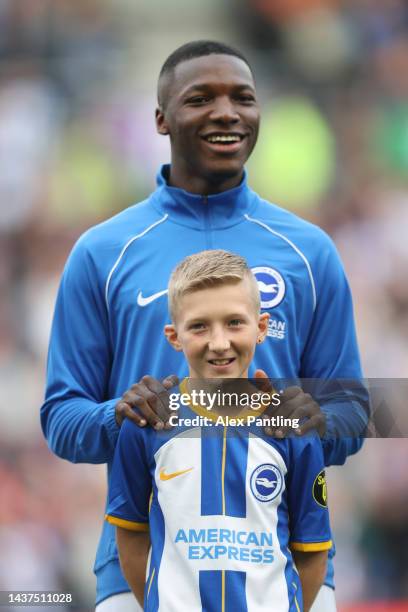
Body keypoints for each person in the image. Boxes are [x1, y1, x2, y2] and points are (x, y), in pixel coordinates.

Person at [41, 40, 368, 611]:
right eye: (201, 98)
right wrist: (121, 416)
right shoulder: (102, 252)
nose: (227, 112)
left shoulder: (310, 253)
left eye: (243, 97)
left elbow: (353, 409)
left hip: (284, 568)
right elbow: (60, 416)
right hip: (139, 571)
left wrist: (314, 419)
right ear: (162, 119)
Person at [106, 249, 332, 612]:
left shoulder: (293, 429)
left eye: (234, 323)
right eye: (199, 326)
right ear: (174, 336)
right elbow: (131, 538)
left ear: (260, 328)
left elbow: (312, 554)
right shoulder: (148, 424)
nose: (219, 342)